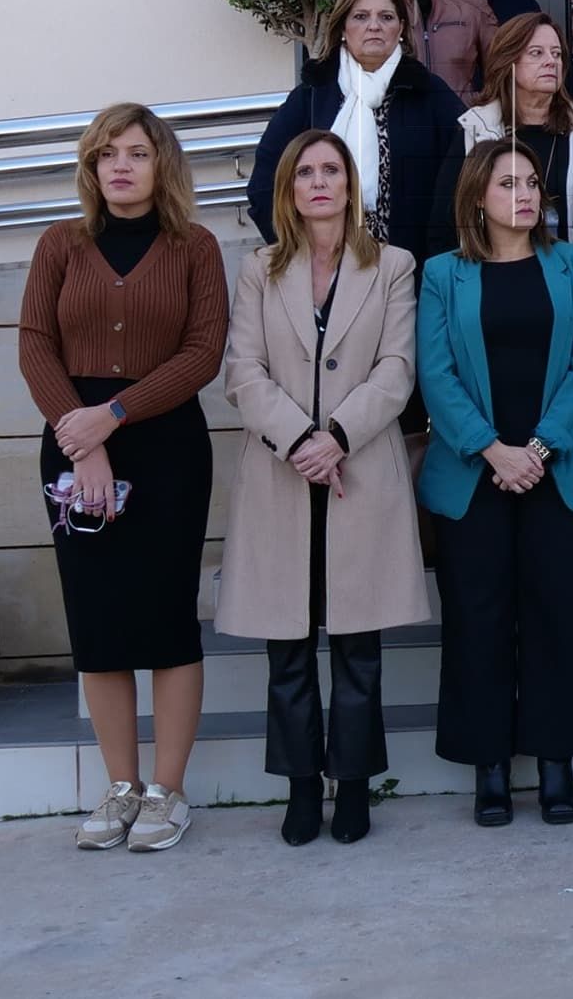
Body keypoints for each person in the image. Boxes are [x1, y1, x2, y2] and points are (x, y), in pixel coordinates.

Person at [19, 103, 227, 854]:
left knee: (166, 618)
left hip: (165, 445)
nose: (121, 166)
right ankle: (120, 788)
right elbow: (36, 344)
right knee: (99, 621)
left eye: (136, 153)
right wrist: (84, 440)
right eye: (107, 153)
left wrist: (114, 414)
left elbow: (202, 354)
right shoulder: (61, 245)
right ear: (91, 166)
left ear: (160, 164)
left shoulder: (195, 247)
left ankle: (169, 792)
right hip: (74, 443)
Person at [217, 130, 427, 847]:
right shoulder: (259, 270)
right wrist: (302, 441)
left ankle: (357, 788)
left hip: (359, 471)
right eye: (304, 171)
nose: (318, 182)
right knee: (289, 651)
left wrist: (336, 436)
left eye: (330, 169)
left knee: (359, 651)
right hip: (282, 476)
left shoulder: (393, 266)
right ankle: (303, 789)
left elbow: (398, 369)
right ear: (288, 188)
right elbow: (242, 372)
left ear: (350, 183)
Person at [418, 138, 573, 828]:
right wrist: (493, 451)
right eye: (507, 184)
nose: (525, 195)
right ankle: (490, 767)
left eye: (532, 183)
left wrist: (537, 447)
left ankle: (557, 765)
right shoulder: (444, 274)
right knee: (478, 621)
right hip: (474, 478)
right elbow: (434, 374)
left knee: (558, 615)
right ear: (477, 197)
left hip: (558, 471)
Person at [247, 0, 465, 265]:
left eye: (386, 17)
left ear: (401, 28)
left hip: (411, 271)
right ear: (342, 29)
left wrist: (438, 258)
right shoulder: (312, 96)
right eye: (361, 16)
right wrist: (295, 252)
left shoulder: (430, 93)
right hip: (322, 270)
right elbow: (264, 182)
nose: (374, 26)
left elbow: (466, 176)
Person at [458, 11, 573, 250]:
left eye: (556, 54)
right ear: (509, 61)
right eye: (537, 53)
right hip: (493, 277)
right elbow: (448, 226)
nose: (551, 61)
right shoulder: (474, 130)